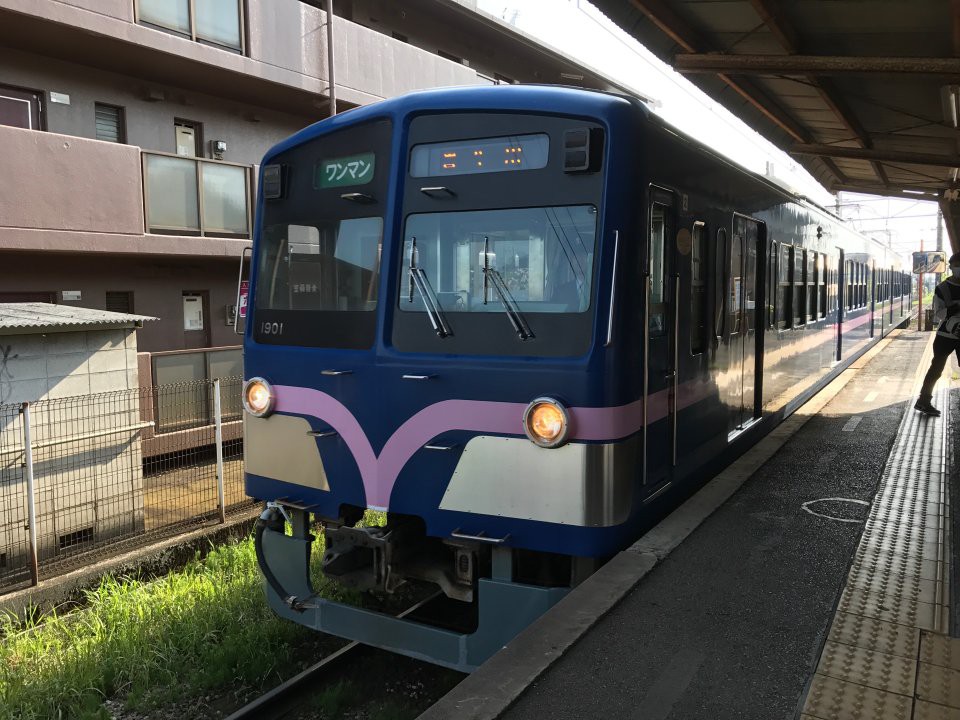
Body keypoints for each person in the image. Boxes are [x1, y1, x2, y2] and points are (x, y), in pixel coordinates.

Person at [916, 252, 960, 416]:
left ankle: (923, 401)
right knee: (936, 369)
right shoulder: (943, 288)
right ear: (951, 267)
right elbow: (938, 314)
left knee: (936, 368)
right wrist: (953, 309)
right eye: (957, 266)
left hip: (950, 336)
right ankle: (923, 401)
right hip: (945, 336)